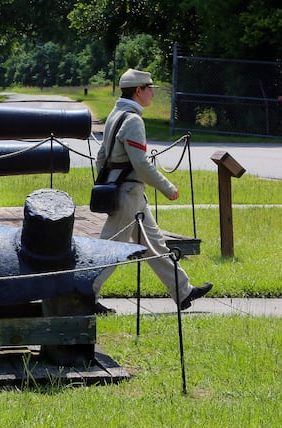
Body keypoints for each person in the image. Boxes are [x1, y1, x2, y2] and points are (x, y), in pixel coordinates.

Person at [92, 68, 213, 314]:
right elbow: (141, 163)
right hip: (128, 194)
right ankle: (84, 296)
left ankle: (183, 291)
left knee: (155, 245)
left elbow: (101, 156)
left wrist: (106, 184)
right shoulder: (133, 120)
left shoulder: (116, 114)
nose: (152, 95)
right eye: (150, 90)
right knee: (111, 249)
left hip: (127, 192)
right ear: (138, 91)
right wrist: (167, 187)